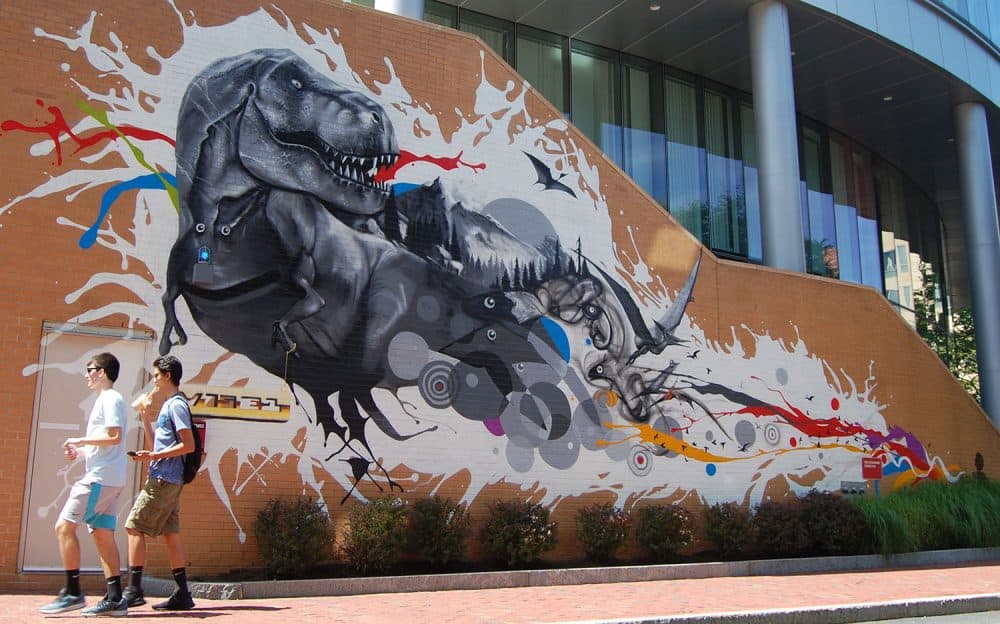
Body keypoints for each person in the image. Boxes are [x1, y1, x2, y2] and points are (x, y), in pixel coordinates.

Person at [38, 352, 129, 616]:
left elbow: (114, 436)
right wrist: (80, 452)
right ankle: (115, 599)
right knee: (102, 535)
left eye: (90, 369)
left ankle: (72, 593)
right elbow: (110, 442)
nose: (86, 374)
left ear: (102, 372)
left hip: (100, 478)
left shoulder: (110, 398)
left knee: (64, 527)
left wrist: (81, 441)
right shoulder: (109, 399)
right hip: (111, 478)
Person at [123, 354, 196, 611]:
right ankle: (182, 594)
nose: (153, 380)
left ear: (167, 375)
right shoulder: (167, 405)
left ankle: (134, 589)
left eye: (156, 375)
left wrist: (156, 456)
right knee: (170, 534)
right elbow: (155, 447)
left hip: (164, 480)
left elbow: (188, 445)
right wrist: (144, 417)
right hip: (167, 478)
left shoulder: (176, 405)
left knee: (133, 526)